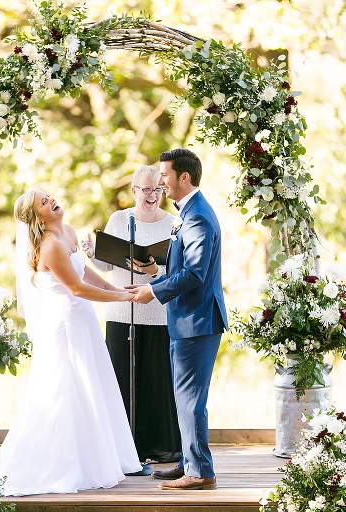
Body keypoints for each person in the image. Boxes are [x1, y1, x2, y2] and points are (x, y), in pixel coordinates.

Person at [0, 188, 142, 496]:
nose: (51, 200)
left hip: (83, 321)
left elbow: (86, 273)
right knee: (65, 389)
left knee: (91, 386)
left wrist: (117, 288)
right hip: (64, 324)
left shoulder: (69, 232)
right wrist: (123, 297)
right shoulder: (50, 247)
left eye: (48, 196)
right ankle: (57, 463)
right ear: (38, 219)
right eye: (43, 202)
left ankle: (92, 459)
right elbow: (78, 288)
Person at [129, 148, 227, 491]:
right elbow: (184, 266)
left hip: (196, 321)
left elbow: (196, 275)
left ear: (184, 178)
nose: (160, 182)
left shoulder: (198, 216)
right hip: (187, 319)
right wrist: (157, 273)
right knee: (184, 397)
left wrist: (153, 291)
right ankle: (189, 462)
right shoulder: (189, 212)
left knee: (191, 400)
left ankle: (199, 472)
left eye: (165, 176)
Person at [82, 165, 181, 464]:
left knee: (155, 379)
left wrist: (155, 270)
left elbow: (179, 270)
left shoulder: (174, 224)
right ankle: (124, 449)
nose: (152, 195)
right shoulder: (119, 219)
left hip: (157, 312)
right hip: (121, 310)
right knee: (121, 378)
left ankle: (159, 447)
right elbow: (108, 266)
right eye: (146, 189)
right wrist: (91, 253)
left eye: (157, 189)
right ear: (134, 190)